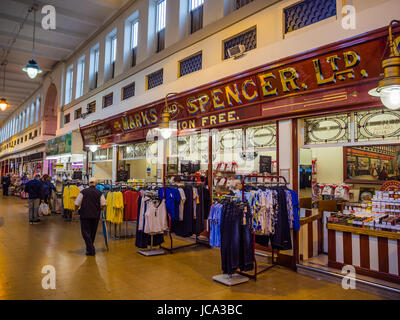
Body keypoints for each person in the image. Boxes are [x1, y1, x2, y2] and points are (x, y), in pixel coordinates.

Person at [74, 178, 106, 256]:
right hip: (95, 215)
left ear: (88, 184)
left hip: (85, 215)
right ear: (96, 184)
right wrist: (101, 210)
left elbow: (77, 203)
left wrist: (74, 211)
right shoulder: (99, 193)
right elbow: (103, 204)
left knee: (85, 232)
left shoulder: (83, 192)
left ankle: (91, 249)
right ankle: (89, 249)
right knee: (92, 232)